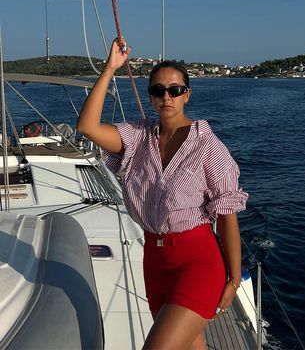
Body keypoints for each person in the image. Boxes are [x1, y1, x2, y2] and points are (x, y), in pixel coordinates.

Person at [77, 37, 248, 350]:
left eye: (175, 90)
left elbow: (227, 218)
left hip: (198, 261)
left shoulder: (209, 148)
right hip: (154, 262)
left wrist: (233, 280)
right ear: (151, 96)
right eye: (158, 90)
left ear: (187, 95)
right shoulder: (138, 137)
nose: (166, 97)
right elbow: (87, 127)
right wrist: (109, 70)